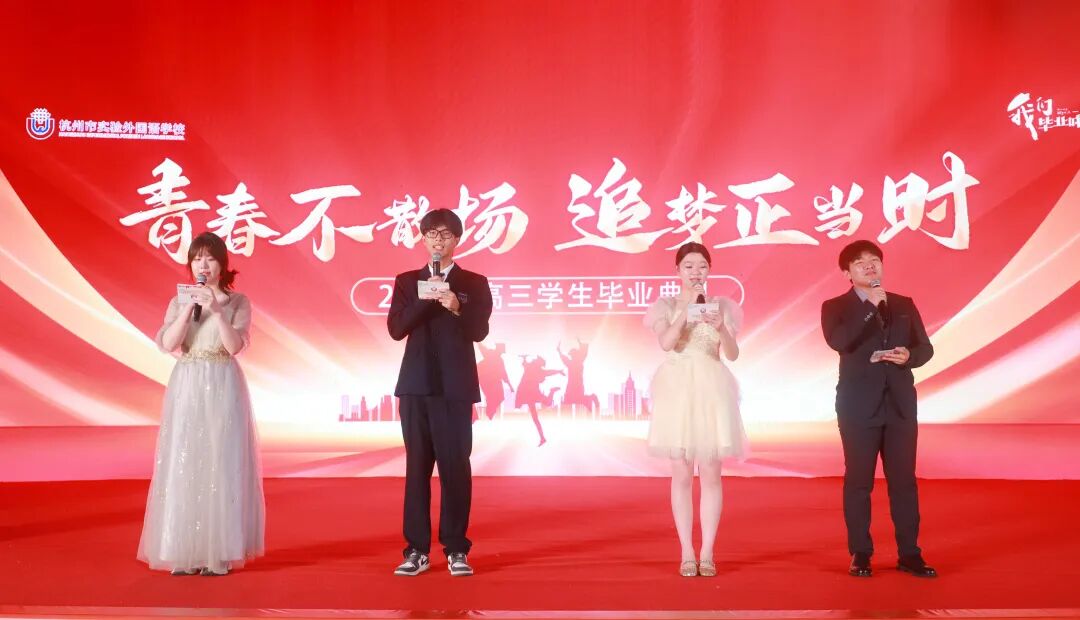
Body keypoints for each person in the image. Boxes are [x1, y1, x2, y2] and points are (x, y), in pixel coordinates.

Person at [137, 231, 265, 576]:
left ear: (222, 265)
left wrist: (216, 311)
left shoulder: (238, 302)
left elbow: (234, 346)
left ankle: (218, 553)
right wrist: (187, 309)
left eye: (209, 258)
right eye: (197, 259)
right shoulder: (179, 301)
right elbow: (167, 344)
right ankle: (183, 550)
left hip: (222, 382)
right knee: (183, 459)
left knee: (221, 462)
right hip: (188, 382)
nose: (203, 265)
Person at [820, 240, 937, 578]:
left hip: (899, 404)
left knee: (904, 482)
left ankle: (910, 554)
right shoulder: (835, 306)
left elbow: (925, 347)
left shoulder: (903, 303)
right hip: (858, 406)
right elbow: (839, 341)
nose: (869, 266)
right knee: (859, 481)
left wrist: (909, 356)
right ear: (847, 273)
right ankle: (860, 553)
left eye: (874, 260)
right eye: (860, 262)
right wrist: (870, 307)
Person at [387, 209, 493, 577]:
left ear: (457, 240)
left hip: (455, 389)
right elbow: (396, 329)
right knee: (417, 469)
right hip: (416, 387)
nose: (438, 240)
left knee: (455, 469)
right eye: (431, 234)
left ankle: (456, 548)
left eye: (445, 234)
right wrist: (427, 296)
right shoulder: (407, 281)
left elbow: (480, 331)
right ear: (422, 239)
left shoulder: (474, 283)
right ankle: (416, 550)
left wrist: (456, 305)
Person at [643, 242, 746, 577]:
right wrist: (686, 313)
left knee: (712, 473)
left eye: (702, 266)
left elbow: (732, 354)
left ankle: (708, 552)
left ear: (709, 270)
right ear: (677, 270)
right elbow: (666, 344)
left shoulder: (723, 306)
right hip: (677, 392)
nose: (696, 272)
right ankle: (687, 551)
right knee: (682, 473)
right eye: (688, 266)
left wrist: (720, 328)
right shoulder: (665, 306)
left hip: (713, 391)